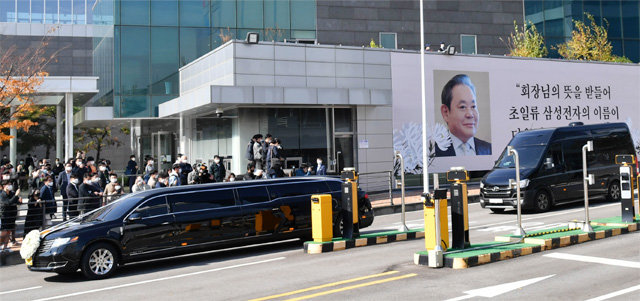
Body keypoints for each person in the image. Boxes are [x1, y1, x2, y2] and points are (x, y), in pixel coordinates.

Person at [435, 74, 491, 157]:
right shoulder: (433, 153)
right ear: (446, 112)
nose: (470, 114)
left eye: (473, 106)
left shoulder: (488, 149)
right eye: (462, 107)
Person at [0, 182, 21, 250]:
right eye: (8, 185)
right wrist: (16, 195)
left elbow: (16, 201)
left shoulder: (12, 193)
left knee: (9, 231)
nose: (10, 186)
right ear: (4, 186)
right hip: (5, 215)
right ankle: (1, 245)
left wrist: (19, 201)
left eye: (10, 184)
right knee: (4, 232)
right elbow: (8, 202)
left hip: (12, 215)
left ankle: (5, 246)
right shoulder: (2, 194)